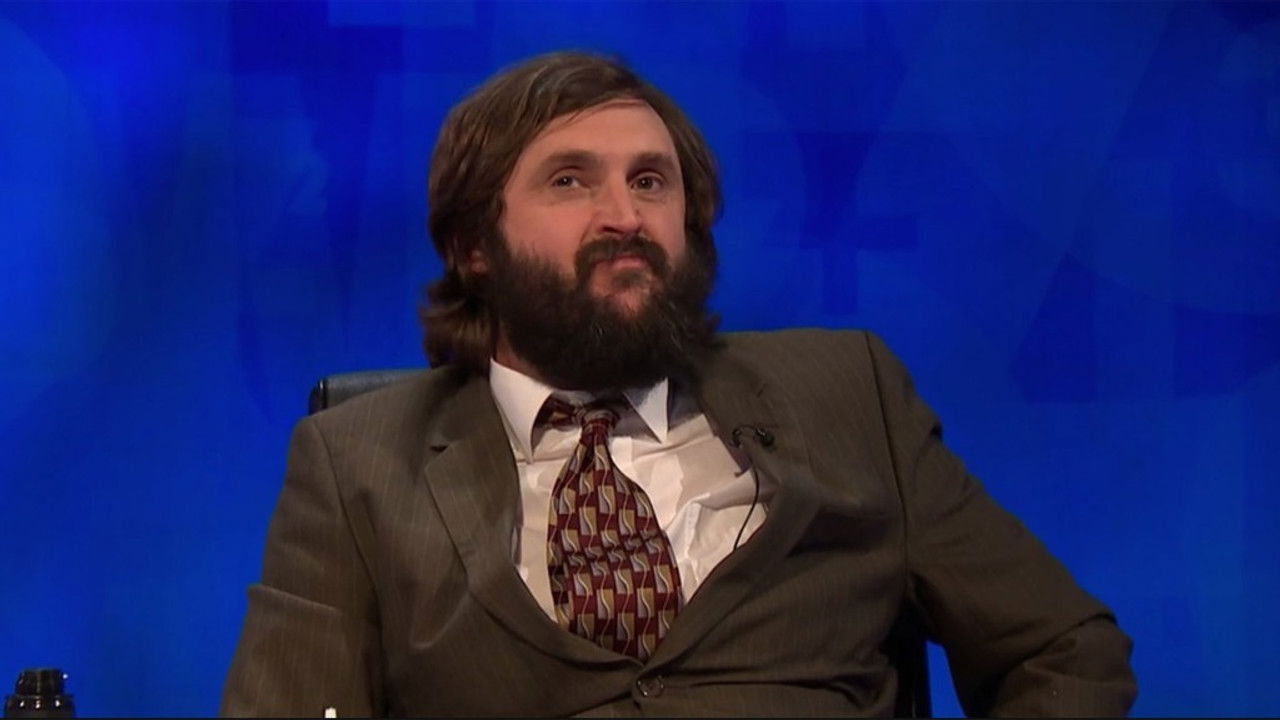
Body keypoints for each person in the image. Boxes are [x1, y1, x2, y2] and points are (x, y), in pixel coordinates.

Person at [222, 51, 1137, 717]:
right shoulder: (358, 463)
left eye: (652, 182)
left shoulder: (847, 393)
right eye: (571, 181)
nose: (624, 216)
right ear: (473, 248)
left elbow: (1062, 650)